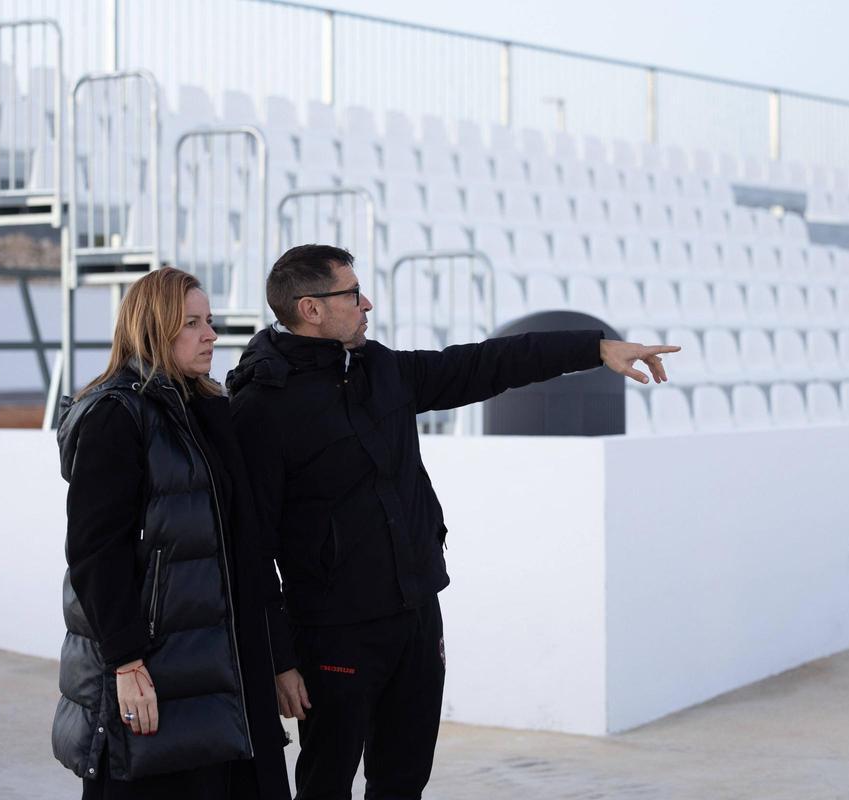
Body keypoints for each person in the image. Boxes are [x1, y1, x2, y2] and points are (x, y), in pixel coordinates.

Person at [226, 244, 679, 799]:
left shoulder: (383, 369)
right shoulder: (261, 408)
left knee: (404, 779)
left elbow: (484, 363)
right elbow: (251, 546)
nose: (366, 303)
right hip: (333, 632)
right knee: (327, 783)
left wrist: (595, 348)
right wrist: (280, 659)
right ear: (310, 309)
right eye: (351, 293)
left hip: (417, 614)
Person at [52, 267, 292, 800]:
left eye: (209, 321)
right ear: (152, 328)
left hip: (230, 670)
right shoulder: (116, 415)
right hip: (160, 668)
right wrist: (127, 661)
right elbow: (95, 554)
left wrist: (278, 655)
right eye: (191, 323)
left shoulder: (209, 409)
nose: (210, 334)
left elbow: (245, 548)